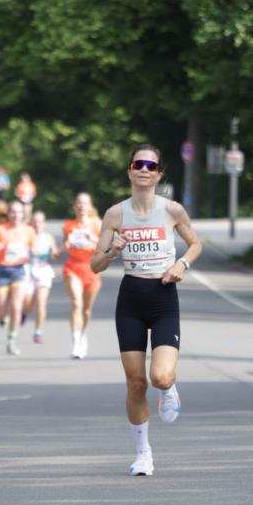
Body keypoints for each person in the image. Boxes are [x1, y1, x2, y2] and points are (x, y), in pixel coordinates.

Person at [91, 144, 202, 477]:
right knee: (136, 382)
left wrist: (182, 263)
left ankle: (169, 391)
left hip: (163, 296)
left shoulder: (172, 211)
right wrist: (112, 250)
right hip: (131, 299)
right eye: (138, 164)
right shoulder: (115, 214)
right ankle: (143, 454)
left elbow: (196, 244)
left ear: (158, 174)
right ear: (129, 170)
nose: (143, 169)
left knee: (160, 376)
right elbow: (95, 265)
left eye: (150, 166)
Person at [0, 200, 36, 355]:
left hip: (19, 271)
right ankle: (3, 318)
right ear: (8, 214)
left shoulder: (28, 231)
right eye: (13, 212)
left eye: (19, 212)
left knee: (16, 307)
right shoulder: (0, 230)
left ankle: (11, 340)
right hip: (2, 271)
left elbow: (34, 247)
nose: (16, 215)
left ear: (23, 214)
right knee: (1, 308)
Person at [58, 193, 102, 358]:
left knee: (87, 310)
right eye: (79, 203)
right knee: (76, 303)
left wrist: (94, 240)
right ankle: (76, 342)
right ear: (74, 206)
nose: (81, 206)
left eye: (85, 203)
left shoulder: (97, 224)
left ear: (90, 206)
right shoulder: (68, 225)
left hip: (92, 269)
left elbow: (107, 247)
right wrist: (62, 249)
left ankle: (83, 334)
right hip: (73, 268)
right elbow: (66, 243)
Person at [23, 210, 61, 344]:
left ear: (43, 223)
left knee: (41, 302)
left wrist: (58, 252)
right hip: (27, 272)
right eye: (34, 221)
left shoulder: (48, 237)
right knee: (27, 303)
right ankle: (24, 313)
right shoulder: (25, 236)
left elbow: (55, 253)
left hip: (43, 271)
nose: (37, 224)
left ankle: (38, 331)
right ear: (31, 223)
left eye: (39, 221)